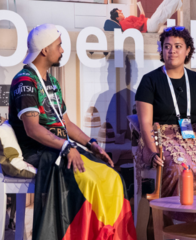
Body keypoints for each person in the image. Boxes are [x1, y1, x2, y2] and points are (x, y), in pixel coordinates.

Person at [8, 24, 136, 239]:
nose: (63, 50)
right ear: (44, 50)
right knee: (91, 182)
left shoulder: (52, 82)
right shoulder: (25, 81)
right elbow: (32, 130)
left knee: (113, 177)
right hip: (43, 152)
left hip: (62, 148)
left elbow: (65, 123)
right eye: (59, 45)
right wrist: (66, 147)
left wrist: (91, 144)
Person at [134, 26, 196, 221]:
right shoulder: (150, 81)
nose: (172, 50)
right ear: (161, 50)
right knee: (180, 167)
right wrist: (151, 152)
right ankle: (181, 223)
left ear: (187, 51)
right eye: (167, 46)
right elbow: (145, 124)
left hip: (195, 137)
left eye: (177, 46)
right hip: (161, 138)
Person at [105, 0, 183, 33]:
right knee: (164, 11)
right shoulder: (123, 24)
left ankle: (177, 1)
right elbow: (136, 27)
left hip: (149, 23)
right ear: (117, 18)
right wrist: (142, 15)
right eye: (119, 13)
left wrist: (142, 16)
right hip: (149, 26)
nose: (121, 12)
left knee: (162, 7)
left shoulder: (125, 21)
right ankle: (179, 1)